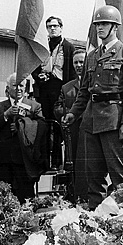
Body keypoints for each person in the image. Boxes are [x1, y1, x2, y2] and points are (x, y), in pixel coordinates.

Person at [63, 5, 123, 209]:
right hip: (90, 121)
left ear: (115, 26)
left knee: (121, 175)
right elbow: (84, 91)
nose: (99, 28)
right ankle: (96, 217)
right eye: (97, 24)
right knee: (93, 175)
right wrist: (73, 113)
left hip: (114, 121)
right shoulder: (92, 55)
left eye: (104, 24)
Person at [0, 73, 46, 202]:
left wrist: (23, 126)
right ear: (8, 89)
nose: (19, 88)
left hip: (24, 159)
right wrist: (6, 115)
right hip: (4, 159)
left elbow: (42, 127)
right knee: (3, 196)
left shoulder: (34, 106)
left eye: (22, 85)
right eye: (15, 85)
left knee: (26, 197)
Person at [31, 16, 76, 169]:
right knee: (44, 123)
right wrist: (38, 76)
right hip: (44, 89)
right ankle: (44, 161)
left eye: (55, 26)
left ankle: (58, 161)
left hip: (60, 88)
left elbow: (72, 72)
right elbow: (34, 66)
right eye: (49, 26)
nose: (52, 29)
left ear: (61, 28)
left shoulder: (68, 47)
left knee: (59, 125)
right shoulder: (42, 45)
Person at [54, 50, 86, 169]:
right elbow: (58, 106)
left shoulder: (94, 85)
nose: (78, 65)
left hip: (89, 131)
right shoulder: (66, 87)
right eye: (76, 62)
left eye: (82, 62)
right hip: (72, 133)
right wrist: (64, 114)